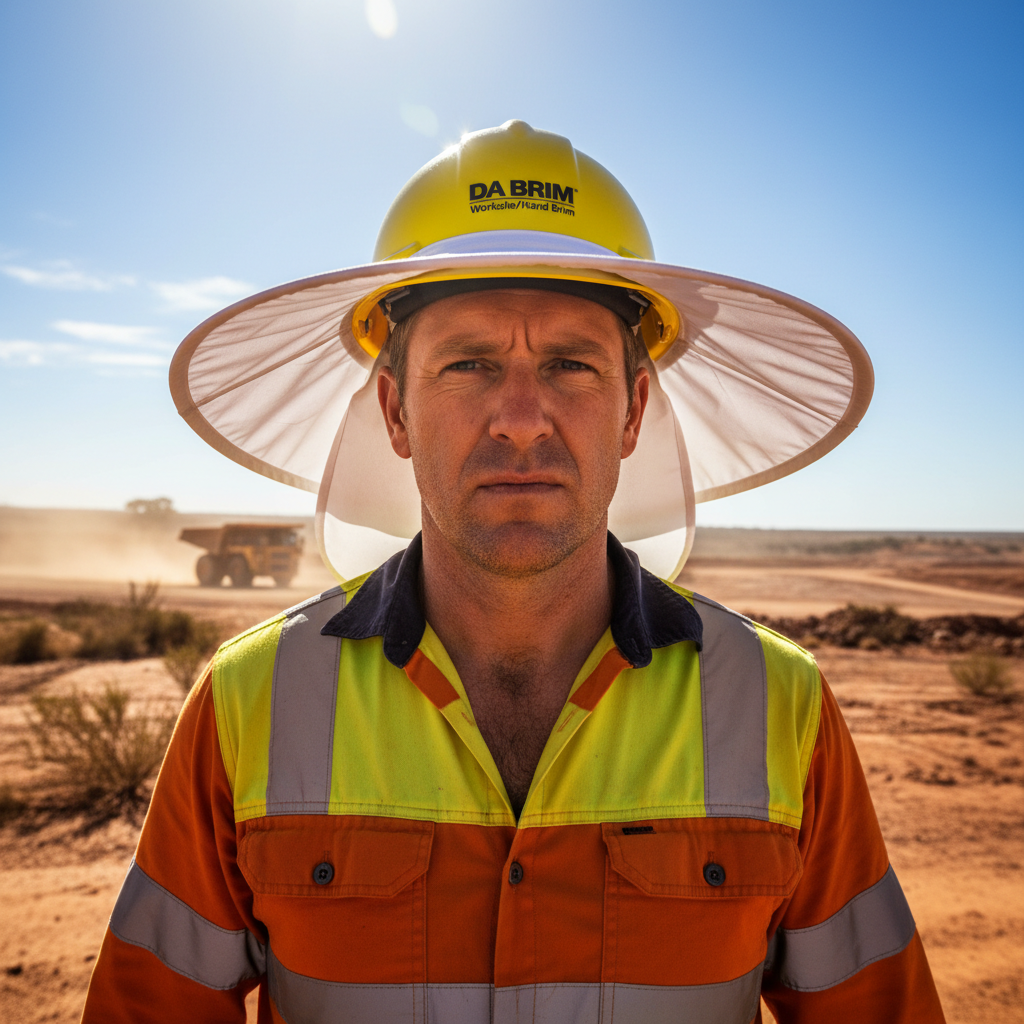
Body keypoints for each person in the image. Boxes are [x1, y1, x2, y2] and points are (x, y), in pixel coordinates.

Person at [83, 120, 945, 1022]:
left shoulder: (782, 707)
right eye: (470, 363)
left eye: (571, 363)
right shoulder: (246, 706)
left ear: (632, 411)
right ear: (396, 410)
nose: (522, 418)